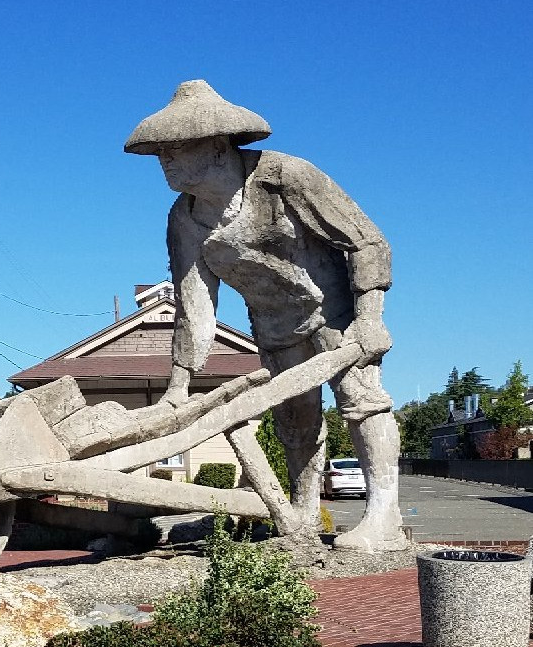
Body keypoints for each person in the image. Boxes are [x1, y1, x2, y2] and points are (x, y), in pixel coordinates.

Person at [124, 80, 405, 552]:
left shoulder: (284, 178)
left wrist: (370, 316)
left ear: (215, 146)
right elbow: (194, 304)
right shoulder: (184, 216)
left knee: (362, 401)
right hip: (273, 325)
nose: (164, 161)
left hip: (334, 313)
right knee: (295, 423)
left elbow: (367, 241)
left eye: (174, 148)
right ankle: (302, 514)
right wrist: (177, 387)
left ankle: (385, 514)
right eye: (158, 153)